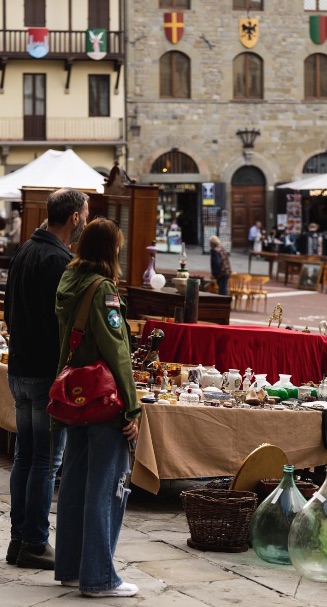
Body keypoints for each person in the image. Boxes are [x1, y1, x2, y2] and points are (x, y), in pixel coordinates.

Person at [53, 217, 140, 597]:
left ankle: (71, 568)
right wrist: (133, 408)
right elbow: (117, 353)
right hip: (104, 400)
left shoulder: (68, 282)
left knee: (73, 485)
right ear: (112, 250)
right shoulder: (103, 289)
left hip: (75, 398)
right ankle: (100, 578)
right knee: (107, 488)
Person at [4, 188, 89, 569]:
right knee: (43, 461)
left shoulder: (25, 250)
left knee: (26, 456)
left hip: (20, 369)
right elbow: (63, 323)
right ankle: (35, 542)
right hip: (43, 374)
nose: (86, 218)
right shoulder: (57, 259)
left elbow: (7, 307)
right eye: (85, 212)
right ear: (74, 217)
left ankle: (18, 539)